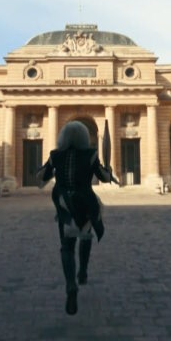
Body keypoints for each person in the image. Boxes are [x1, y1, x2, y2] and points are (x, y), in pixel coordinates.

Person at [37, 121, 111, 315]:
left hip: (65, 204)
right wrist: (108, 170)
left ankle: (70, 284)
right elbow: (103, 177)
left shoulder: (56, 155)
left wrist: (48, 166)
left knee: (66, 246)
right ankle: (83, 271)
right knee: (86, 235)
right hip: (85, 202)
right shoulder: (90, 154)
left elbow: (42, 175)